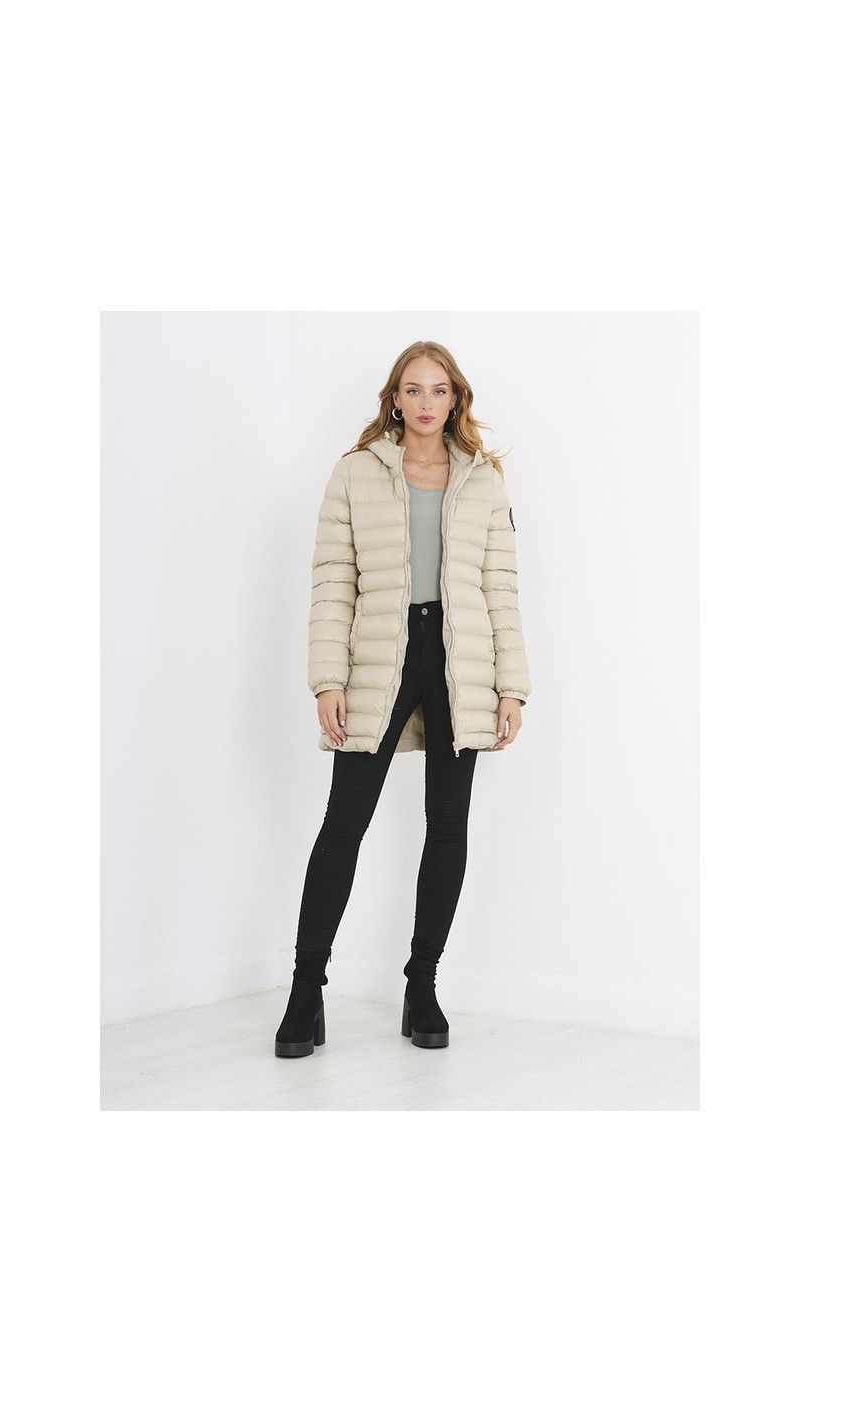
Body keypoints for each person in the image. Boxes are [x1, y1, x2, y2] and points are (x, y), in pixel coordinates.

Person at [274, 340, 532, 1058]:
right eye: (413, 390)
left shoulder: (482, 479)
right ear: (394, 398)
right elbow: (333, 580)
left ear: (456, 399)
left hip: (460, 662)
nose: (426, 403)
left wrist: (512, 686)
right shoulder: (356, 472)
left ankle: (422, 986)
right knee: (343, 825)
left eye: (439, 391)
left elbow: (501, 589)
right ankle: (305, 992)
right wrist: (328, 679)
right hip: (377, 660)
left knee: (447, 826)